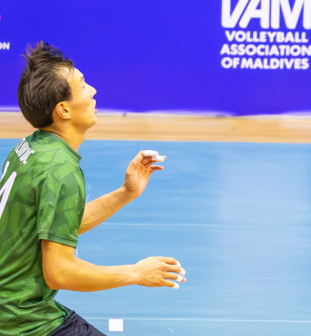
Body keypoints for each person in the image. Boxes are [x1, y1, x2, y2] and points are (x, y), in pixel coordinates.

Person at [0, 44, 183, 336]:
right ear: (63, 109)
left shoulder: (31, 147)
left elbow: (55, 223)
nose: (93, 90)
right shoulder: (60, 170)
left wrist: (126, 192)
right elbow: (58, 272)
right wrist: (136, 272)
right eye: (83, 85)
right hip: (24, 322)